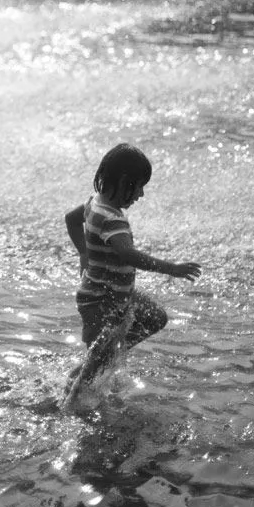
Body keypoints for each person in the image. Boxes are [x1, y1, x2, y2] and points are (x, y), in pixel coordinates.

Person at [62, 143, 201, 407]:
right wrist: (172, 268)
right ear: (125, 182)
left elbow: (70, 219)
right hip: (99, 301)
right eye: (138, 186)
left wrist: (83, 252)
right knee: (92, 368)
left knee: (156, 318)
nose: (141, 194)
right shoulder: (112, 220)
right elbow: (128, 255)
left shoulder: (94, 203)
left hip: (116, 295)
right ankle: (71, 403)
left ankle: (104, 358)